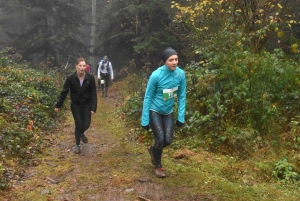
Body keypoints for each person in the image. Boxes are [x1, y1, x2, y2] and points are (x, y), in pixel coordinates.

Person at [141, 47, 186, 177]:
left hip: (168, 112)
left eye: (176, 59)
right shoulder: (156, 75)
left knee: (168, 140)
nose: (174, 62)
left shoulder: (180, 74)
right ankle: (158, 166)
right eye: (171, 60)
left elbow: (182, 96)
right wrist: (144, 120)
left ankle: (152, 149)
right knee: (160, 139)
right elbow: (148, 97)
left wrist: (181, 117)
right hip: (154, 110)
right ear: (164, 61)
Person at [55, 58, 97, 154]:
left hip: (86, 104)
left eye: (84, 66)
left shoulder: (90, 77)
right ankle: (77, 145)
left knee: (86, 124)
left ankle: (81, 133)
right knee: (78, 124)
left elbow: (93, 94)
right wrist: (58, 105)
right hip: (76, 105)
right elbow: (64, 92)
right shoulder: (70, 77)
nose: (82, 68)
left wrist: (93, 107)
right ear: (76, 66)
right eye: (80, 66)